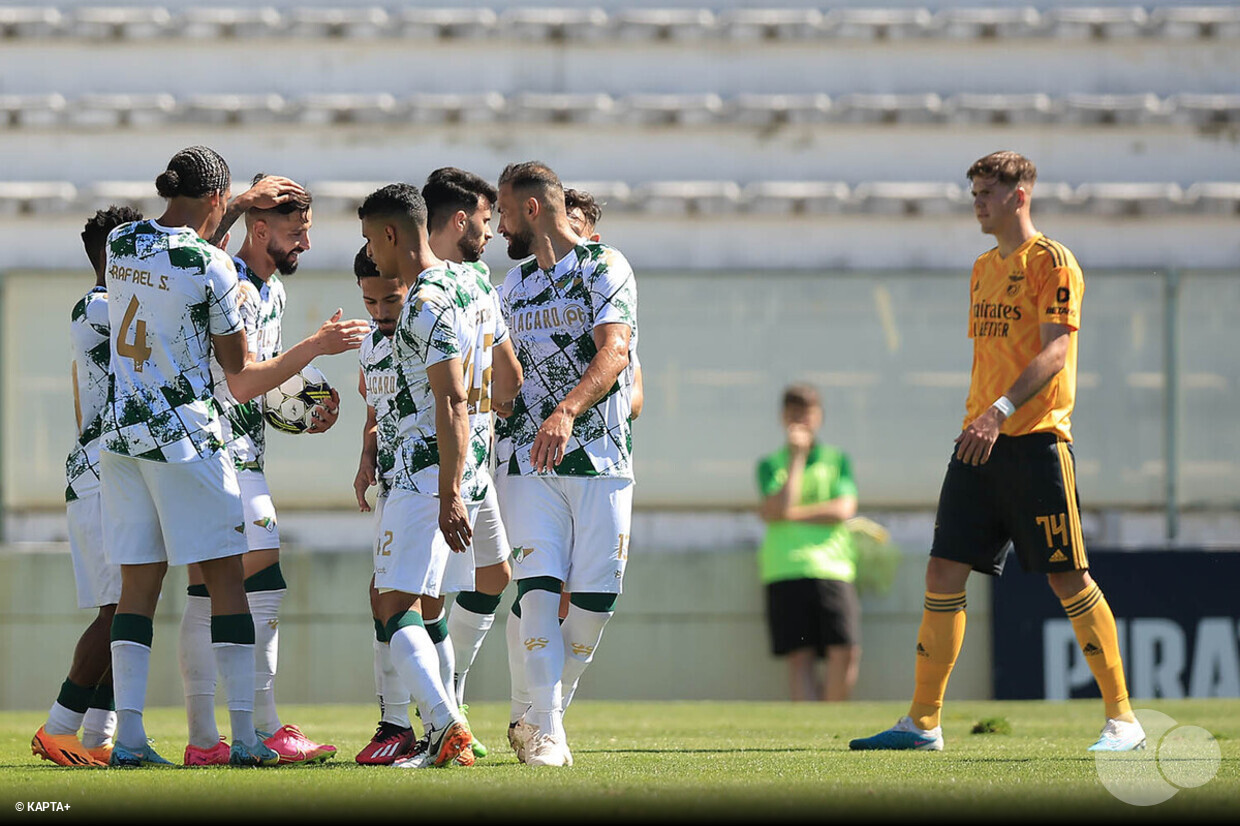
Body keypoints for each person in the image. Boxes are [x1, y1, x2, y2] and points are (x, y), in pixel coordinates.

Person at [850, 151, 1145, 752]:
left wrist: (1000, 412)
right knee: (941, 570)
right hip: (977, 442)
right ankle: (924, 723)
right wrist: (980, 420)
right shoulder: (983, 267)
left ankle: (1124, 722)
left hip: (1035, 443)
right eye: (975, 193)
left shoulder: (1054, 263)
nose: (978, 203)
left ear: (1020, 195)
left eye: (987, 192)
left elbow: (1056, 351)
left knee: (1067, 577)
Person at [178, 174, 367, 766]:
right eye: (294, 233)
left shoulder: (273, 294)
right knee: (261, 581)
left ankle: (205, 739)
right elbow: (239, 382)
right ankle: (258, 726)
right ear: (259, 230)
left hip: (244, 452)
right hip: (215, 452)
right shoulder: (223, 277)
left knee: (209, 592)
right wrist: (314, 348)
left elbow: (262, 381)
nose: (304, 245)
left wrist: (307, 403)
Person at [358, 182, 518, 769]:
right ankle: (444, 736)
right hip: (470, 470)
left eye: (371, 239)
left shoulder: (425, 301)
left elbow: (450, 400)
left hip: (428, 473)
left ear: (393, 234)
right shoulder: (475, 281)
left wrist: (448, 490)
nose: (371, 253)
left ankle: (446, 724)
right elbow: (509, 378)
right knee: (431, 609)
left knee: (392, 605)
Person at [494, 162, 637, 767]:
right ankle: (548, 731)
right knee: (537, 592)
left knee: (595, 605)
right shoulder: (511, 285)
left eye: (502, 211)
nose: (497, 224)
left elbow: (616, 350)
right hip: (524, 464)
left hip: (599, 457)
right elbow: (499, 378)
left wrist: (568, 410)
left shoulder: (606, 267)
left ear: (530, 210)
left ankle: (538, 711)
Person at [31, 206, 143, 768]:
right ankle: (59, 727)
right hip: (100, 474)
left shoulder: (118, 305)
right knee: (119, 609)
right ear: (110, 256)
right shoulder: (99, 308)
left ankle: (97, 738)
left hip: (116, 472)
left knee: (129, 606)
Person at [422, 167, 522, 760]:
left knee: (495, 575)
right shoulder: (424, 288)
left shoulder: (477, 282)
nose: (491, 232)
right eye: (486, 221)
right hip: (437, 467)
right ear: (460, 219)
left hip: (476, 459)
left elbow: (505, 372)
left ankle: (448, 694)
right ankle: (427, 717)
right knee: (427, 593)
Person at [351, 245, 420, 765]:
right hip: (394, 483)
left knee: (398, 596)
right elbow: (376, 410)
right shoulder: (371, 347)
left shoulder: (430, 331)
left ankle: (424, 720)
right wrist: (366, 456)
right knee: (386, 594)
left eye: (389, 299)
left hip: (434, 481)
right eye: (370, 300)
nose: (380, 311)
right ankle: (402, 722)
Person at [757, 384, 861, 702]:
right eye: (794, 412)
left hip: (833, 567)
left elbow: (843, 509)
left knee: (844, 650)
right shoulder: (770, 464)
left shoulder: (837, 460)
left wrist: (792, 514)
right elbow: (777, 507)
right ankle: (808, 727)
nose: (801, 419)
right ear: (783, 417)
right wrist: (797, 458)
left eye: (808, 412)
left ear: (820, 416)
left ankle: (830, 722)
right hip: (785, 567)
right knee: (799, 656)